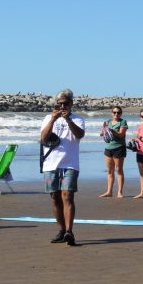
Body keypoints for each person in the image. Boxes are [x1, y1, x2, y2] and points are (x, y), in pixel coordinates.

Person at [39, 89, 85, 246]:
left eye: (66, 104)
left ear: (71, 104)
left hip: (70, 163)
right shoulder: (48, 118)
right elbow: (43, 137)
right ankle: (61, 230)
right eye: (60, 104)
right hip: (50, 164)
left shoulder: (78, 119)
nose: (63, 106)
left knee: (67, 196)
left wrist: (68, 120)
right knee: (55, 198)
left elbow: (79, 135)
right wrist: (53, 120)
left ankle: (69, 231)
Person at [98, 106, 127, 198]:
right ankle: (109, 191)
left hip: (119, 148)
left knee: (119, 170)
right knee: (110, 171)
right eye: (114, 112)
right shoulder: (108, 122)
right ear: (112, 113)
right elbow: (101, 134)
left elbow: (121, 134)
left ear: (121, 114)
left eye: (118, 112)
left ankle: (119, 192)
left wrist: (112, 130)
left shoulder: (123, 122)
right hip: (108, 148)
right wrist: (104, 130)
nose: (116, 114)